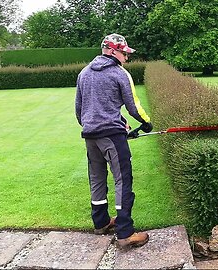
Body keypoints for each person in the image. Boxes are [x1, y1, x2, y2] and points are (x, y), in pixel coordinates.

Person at [75, 33, 153, 248]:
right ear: (111, 51)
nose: (126, 57)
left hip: (90, 136)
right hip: (112, 137)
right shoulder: (120, 73)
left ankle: (100, 223)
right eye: (124, 53)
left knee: (97, 178)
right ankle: (125, 233)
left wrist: (115, 121)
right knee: (123, 180)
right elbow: (133, 106)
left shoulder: (84, 73)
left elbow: (80, 110)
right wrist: (146, 123)